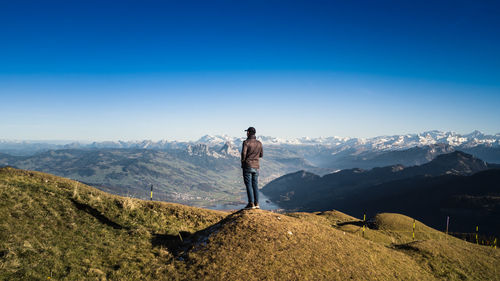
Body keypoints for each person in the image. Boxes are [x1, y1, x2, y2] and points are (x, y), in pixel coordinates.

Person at [241, 126, 263, 209]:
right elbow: (261, 155)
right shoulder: (259, 143)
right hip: (256, 166)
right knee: (255, 185)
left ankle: (251, 203)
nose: (246, 133)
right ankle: (257, 203)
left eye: (247, 132)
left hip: (248, 165)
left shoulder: (246, 142)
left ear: (249, 133)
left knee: (248, 185)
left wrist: (243, 162)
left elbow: (243, 153)